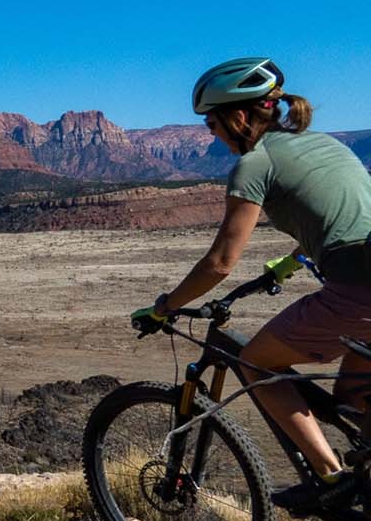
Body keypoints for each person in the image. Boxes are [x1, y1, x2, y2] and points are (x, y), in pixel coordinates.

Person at [132, 56, 371, 511]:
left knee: (256, 361)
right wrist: (293, 260)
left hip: (358, 293)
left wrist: (164, 307)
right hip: (363, 272)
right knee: (355, 399)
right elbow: (349, 217)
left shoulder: (254, 164)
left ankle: (330, 478)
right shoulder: (323, 145)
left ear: (239, 116)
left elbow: (220, 262)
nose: (210, 134)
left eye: (212, 123)